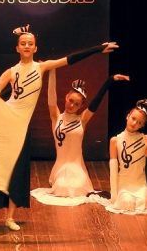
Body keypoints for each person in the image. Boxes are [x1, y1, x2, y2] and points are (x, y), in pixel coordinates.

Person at [0, 24, 119, 231]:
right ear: (17, 48)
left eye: (30, 43)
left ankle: (10, 217)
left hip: (20, 125)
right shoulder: (11, 72)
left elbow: (69, 59)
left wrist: (98, 49)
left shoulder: (42, 67)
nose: (27, 46)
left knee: (17, 172)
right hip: (7, 115)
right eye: (23, 43)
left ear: (35, 48)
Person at [31, 70, 130, 206]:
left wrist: (110, 80)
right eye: (71, 101)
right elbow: (51, 99)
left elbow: (95, 103)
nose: (72, 105)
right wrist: (52, 71)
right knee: (62, 188)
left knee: (77, 188)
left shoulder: (82, 119)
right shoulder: (56, 117)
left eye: (77, 104)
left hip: (77, 167)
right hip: (61, 167)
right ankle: (58, 179)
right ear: (66, 97)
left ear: (81, 106)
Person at [101, 99, 147, 214]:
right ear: (128, 116)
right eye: (133, 118)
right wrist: (114, 195)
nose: (134, 123)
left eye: (139, 122)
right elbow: (113, 170)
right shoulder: (115, 140)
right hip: (124, 183)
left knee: (143, 202)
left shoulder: (146, 139)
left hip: (140, 183)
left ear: (142, 125)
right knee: (126, 202)